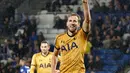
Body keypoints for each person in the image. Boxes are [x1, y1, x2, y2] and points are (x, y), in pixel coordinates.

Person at [52, 0, 91, 73]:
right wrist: (53, 70)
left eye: (74, 21)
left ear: (79, 24)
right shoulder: (59, 38)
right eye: (70, 21)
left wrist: (85, 3)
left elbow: (87, 20)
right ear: (67, 23)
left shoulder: (82, 35)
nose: (72, 23)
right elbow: (55, 55)